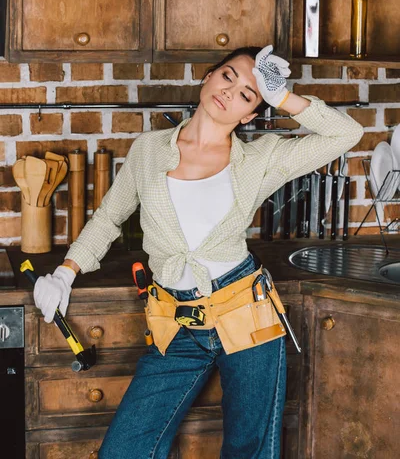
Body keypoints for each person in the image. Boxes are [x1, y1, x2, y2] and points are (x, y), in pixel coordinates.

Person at [33, 45, 364, 458]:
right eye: (228, 76)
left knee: (250, 450)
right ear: (208, 77)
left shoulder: (263, 158)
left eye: (248, 93)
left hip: (247, 317)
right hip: (175, 324)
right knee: (124, 449)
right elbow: (108, 218)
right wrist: (66, 271)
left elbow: (347, 134)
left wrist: (282, 97)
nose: (231, 91)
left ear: (249, 116)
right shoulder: (148, 149)